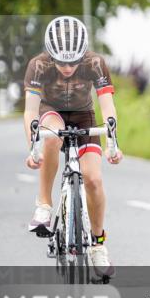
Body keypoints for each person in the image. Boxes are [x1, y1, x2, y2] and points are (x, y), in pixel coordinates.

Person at [23, 16, 123, 278]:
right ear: (50, 54)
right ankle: (44, 204)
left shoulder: (95, 63)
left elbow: (107, 106)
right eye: (61, 62)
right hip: (51, 112)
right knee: (52, 136)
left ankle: (98, 245)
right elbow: (30, 111)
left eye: (73, 62)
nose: (67, 68)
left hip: (83, 117)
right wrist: (33, 147)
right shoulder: (38, 66)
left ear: (83, 54)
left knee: (94, 180)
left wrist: (112, 143)